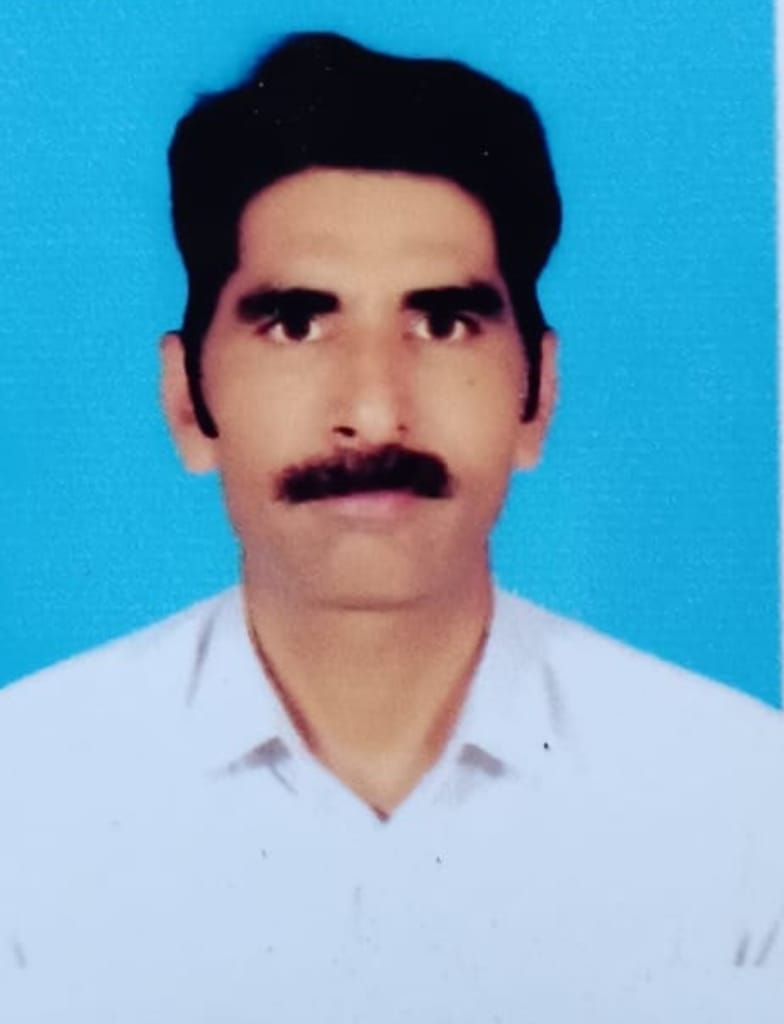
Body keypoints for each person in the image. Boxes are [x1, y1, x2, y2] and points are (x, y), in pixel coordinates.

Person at [1, 31, 782, 1022]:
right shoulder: (24, 799)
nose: (374, 412)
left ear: (537, 394)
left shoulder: (744, 806)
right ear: (188, 402)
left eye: (443, 323)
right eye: (296, 323)